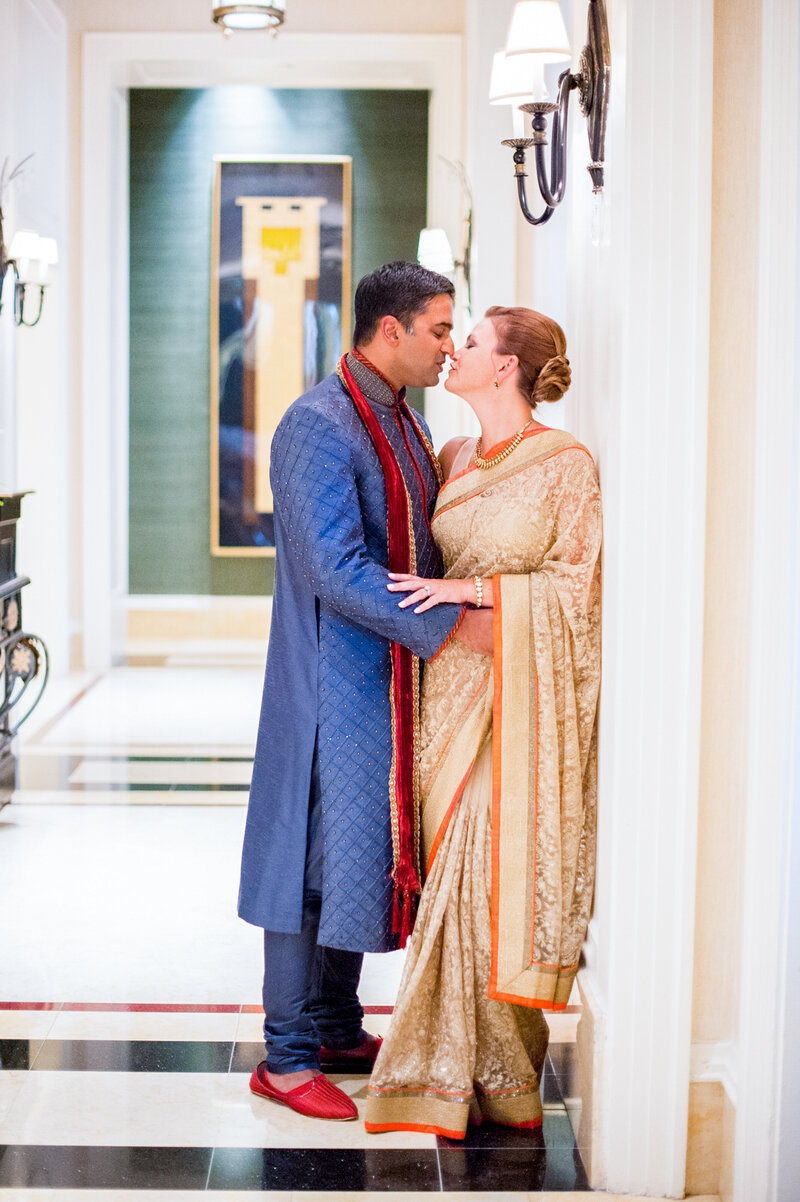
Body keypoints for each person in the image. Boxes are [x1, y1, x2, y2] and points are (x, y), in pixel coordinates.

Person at [238, 262, 494, 1122]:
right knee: (309, 861)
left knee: (362, 850)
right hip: (331, 680)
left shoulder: (403, 421)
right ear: (391, 330)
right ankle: (286, 1056)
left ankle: (339, 1024)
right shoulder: (318, 423)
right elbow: (335, 571)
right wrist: (451, 626)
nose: (447, 345)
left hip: (389, 677)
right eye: (437, 329)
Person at [364, 306, 602, 1138]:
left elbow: (579, 586)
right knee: (450, 871)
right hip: (446, 695)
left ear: (504, 367)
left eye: (468, 341)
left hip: (522, 697)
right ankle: (460, 1070)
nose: (452, 349)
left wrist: (474, 593)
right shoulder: (452, 456)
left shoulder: (567, 463)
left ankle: (503, 1073)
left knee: (493, 870)